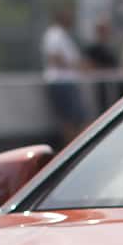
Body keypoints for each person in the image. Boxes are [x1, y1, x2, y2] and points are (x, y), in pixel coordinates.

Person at [40, 8, 87, 144]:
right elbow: (54, 58)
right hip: (61, 82)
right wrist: (75, 66)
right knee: (69, 120)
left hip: (67, 82)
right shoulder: (54, 35)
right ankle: (72, 147)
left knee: (76, 119)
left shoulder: (63, 35)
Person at [82, 17, 120, 112]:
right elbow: (87, 65)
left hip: (112, 86)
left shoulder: (111, 47)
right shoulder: (92, 48)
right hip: (98, 87)